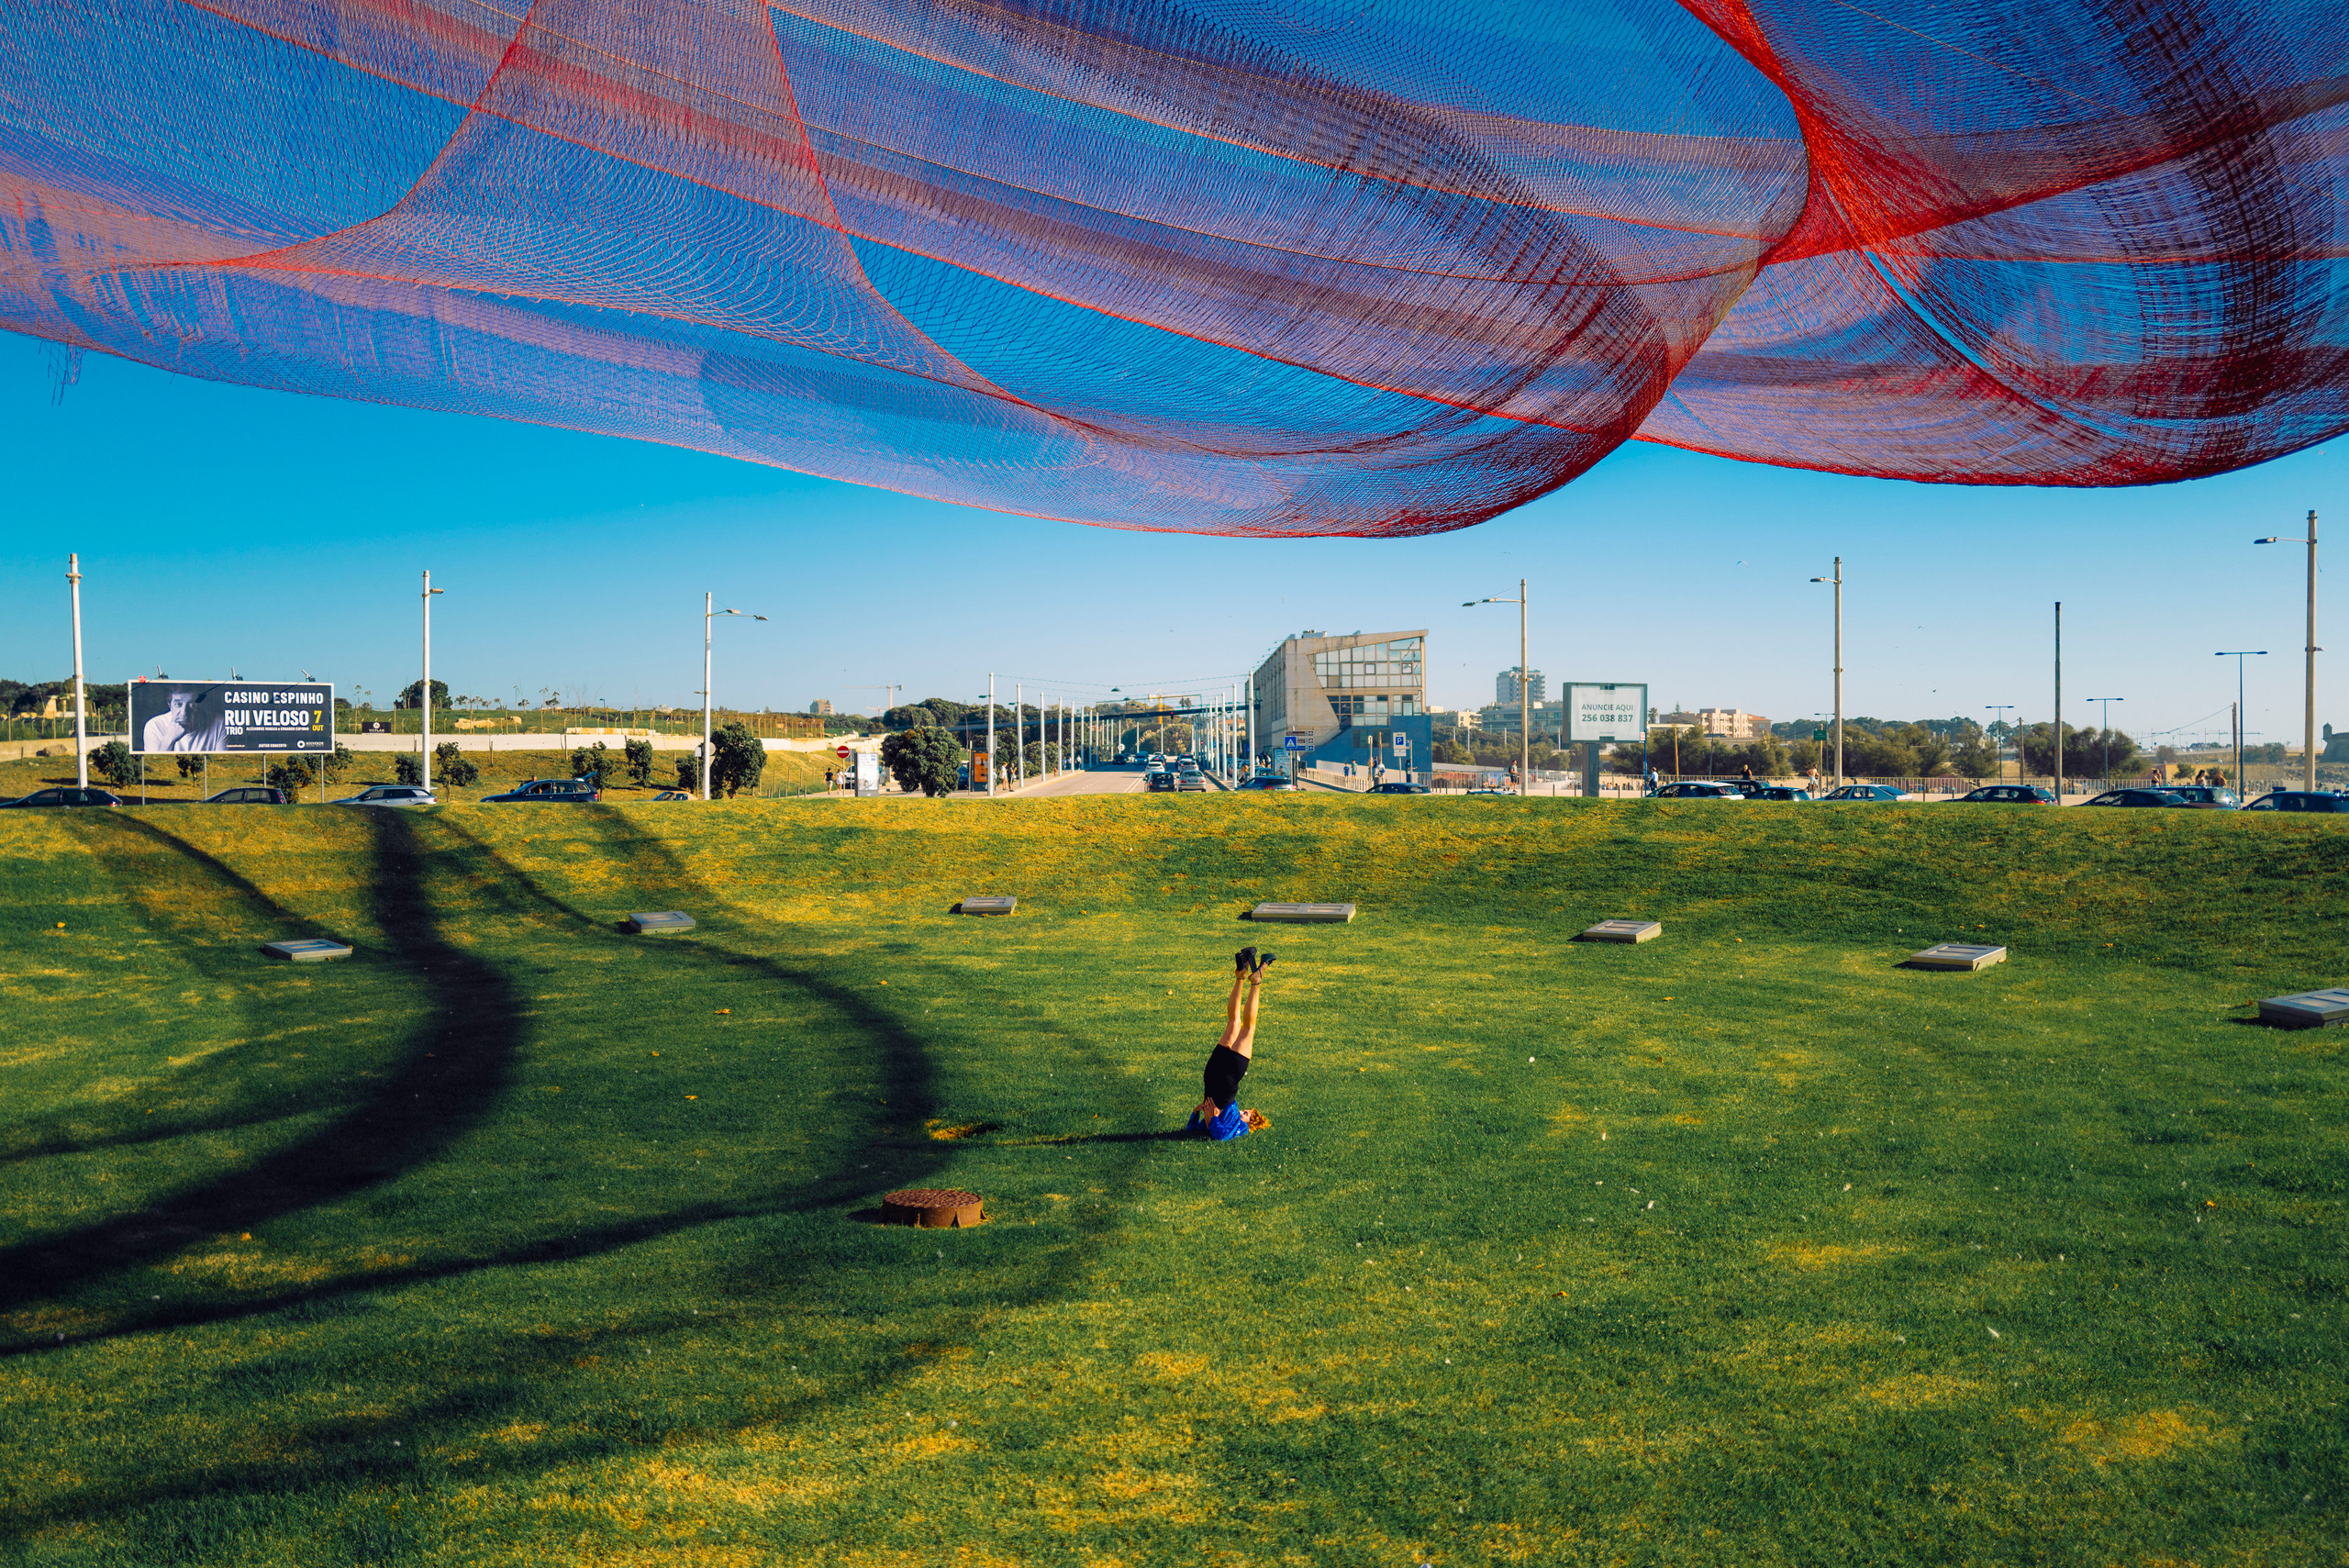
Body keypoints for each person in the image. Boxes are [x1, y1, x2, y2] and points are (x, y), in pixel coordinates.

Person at [1189, 949, 1275, 1140]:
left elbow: (1217, 1135)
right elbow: (1203, 1133)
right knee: (1234, 1023)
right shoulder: (1226, 1121)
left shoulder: (1241, 1129)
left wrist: (1200, 1114)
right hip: (1212, 1076)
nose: (1241, 1112)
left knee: (1246, 1028)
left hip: (1223, 1081)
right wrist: (1210, 1119)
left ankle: (1255, 981)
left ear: (1249, 1124)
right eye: (1245, 1111)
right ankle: (1241, 976)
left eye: (1246, 1115)